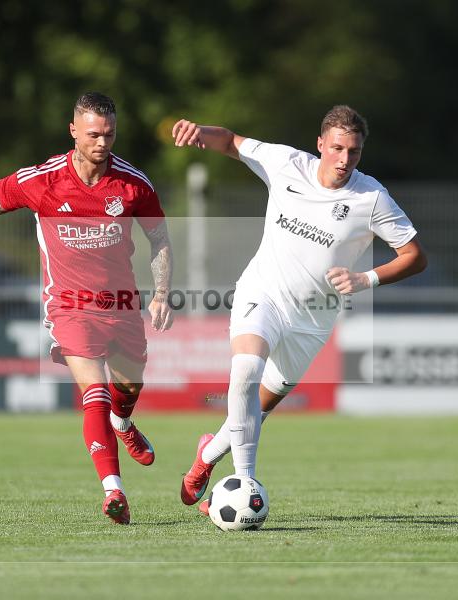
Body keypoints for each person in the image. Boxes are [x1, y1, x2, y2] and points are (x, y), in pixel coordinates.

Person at [171, 105, 427, 513]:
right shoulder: (286, 163)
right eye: (338, 148)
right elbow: (232, 141)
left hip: (313, 320)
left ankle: (207, 455)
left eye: (355, 152)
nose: (345, 160)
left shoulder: (371, 197)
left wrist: (367, 279)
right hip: (264, 294)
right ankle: (244, 484)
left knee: (261, 406)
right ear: (321, 144)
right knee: (245, 372)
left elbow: (414, 255)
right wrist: (201, 130)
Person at [0, 92, 173, 525]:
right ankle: (113, 490)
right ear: (73, 131)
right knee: (92, 393)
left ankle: (124, 424)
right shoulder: (44, 180)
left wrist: (162, 293)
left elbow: (160, 237)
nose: (102, 142)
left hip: (122, 305)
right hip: (69, 306)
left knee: (128, 390)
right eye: (93, 134)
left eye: (109, 133)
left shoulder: (133, 184)